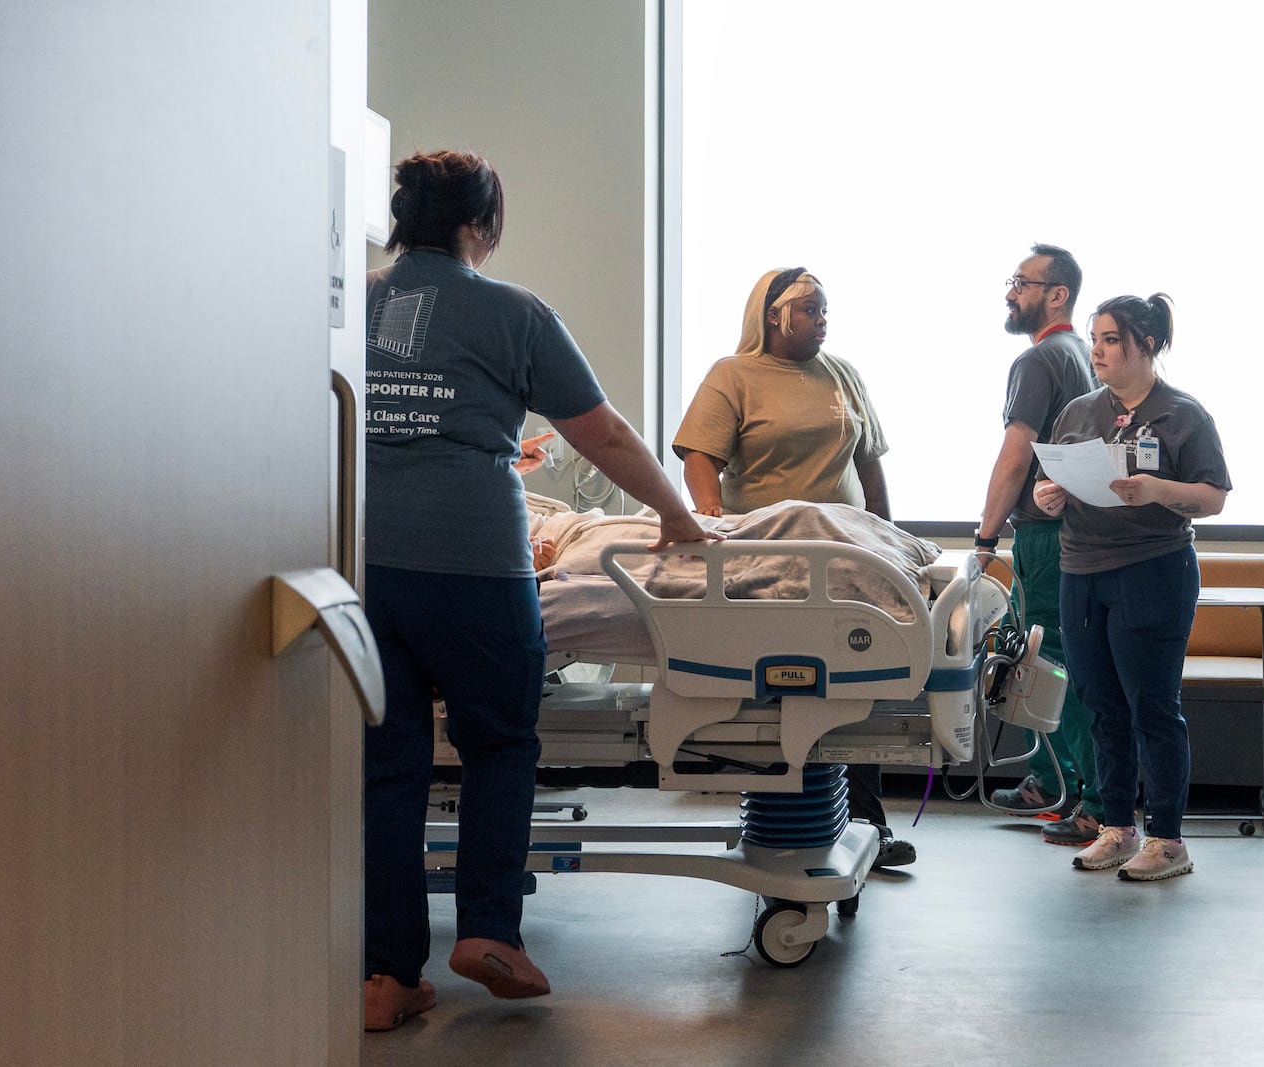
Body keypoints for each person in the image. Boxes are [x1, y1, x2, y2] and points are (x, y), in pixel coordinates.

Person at [361, 149, 719, 1029]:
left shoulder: (347, 298)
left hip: (361, 558)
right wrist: (679, 518)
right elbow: (605, 433)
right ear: (482, 226)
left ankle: (383, 978)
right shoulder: (513, 312)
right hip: (476, 558)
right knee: (499, 742)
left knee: (388, 768)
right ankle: (488, 930)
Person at [671, 266, 914, 870]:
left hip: (849, 559)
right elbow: (700, 457)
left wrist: (888, 534)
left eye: (826, 310)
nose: (823, 320)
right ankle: (780, 823)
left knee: (859, 683)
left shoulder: (843, 375)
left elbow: (870, 464)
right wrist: (712, 521)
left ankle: (868, 824)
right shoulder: (733, 376)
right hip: (771, 560)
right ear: (773, 316)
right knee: (787, 693)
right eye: (811, 310)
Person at [1032, 293, 1231, 881]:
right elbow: (1055, 478)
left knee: (1152, 707)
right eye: (1095, 338)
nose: (1097, 350)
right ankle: (1117, 827)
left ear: (1147, 344)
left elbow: (1213, 497)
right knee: (1099, 704)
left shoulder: (1182, 415)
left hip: (1153, 569)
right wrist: (1050, 496)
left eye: (1112, 339)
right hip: (1080, 569)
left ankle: (1168, 839)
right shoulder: (1079, 412)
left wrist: (1157, 489)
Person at [976, 245, 1105, 845]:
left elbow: (1014, 457)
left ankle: (1091, 799)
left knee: (1053, 662)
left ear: (1058, 294)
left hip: (1044, 538)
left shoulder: (1039, 361)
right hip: (1069, 535)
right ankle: (1048, 780)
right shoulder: (1081, 355)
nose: (1010, 293)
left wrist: (984, 536)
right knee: (1049, 658)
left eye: (1021, 283)